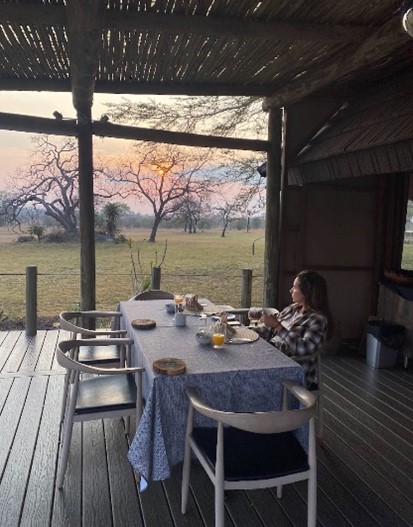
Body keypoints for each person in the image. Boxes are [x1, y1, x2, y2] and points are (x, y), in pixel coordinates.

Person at [258, 270, 333, 387]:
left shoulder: (318, 320)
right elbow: (268, 331)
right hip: (271, 360)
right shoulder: (292, 309)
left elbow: (302, 349)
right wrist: (240, 332)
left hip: (292, 372)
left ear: (306, 293)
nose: (291, 290)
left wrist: (278, 326)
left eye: (295, 287)